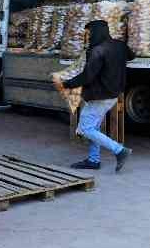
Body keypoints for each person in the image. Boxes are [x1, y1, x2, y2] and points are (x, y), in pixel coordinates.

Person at [54, 20, 135, 173]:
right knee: (94, 126)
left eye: (89, 33)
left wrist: (66, 84)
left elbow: (87, 76)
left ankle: (119, 151)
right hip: (113, 94)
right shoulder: (119, 45)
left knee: (85, 128)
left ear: (96, 32)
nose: (88, 36)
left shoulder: (98, 50)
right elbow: (132, 55)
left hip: (100, 96)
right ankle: (93, 160)